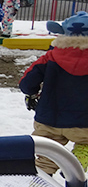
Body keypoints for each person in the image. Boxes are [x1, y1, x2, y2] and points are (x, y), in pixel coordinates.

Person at [19, 10, 88, 174]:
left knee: (45, 161)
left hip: (49, 120)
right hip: (84, 124)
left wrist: (32, 93)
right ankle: (79, 161)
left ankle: (40, 186)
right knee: (86, 143)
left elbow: (26, 82)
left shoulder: (50, 57)